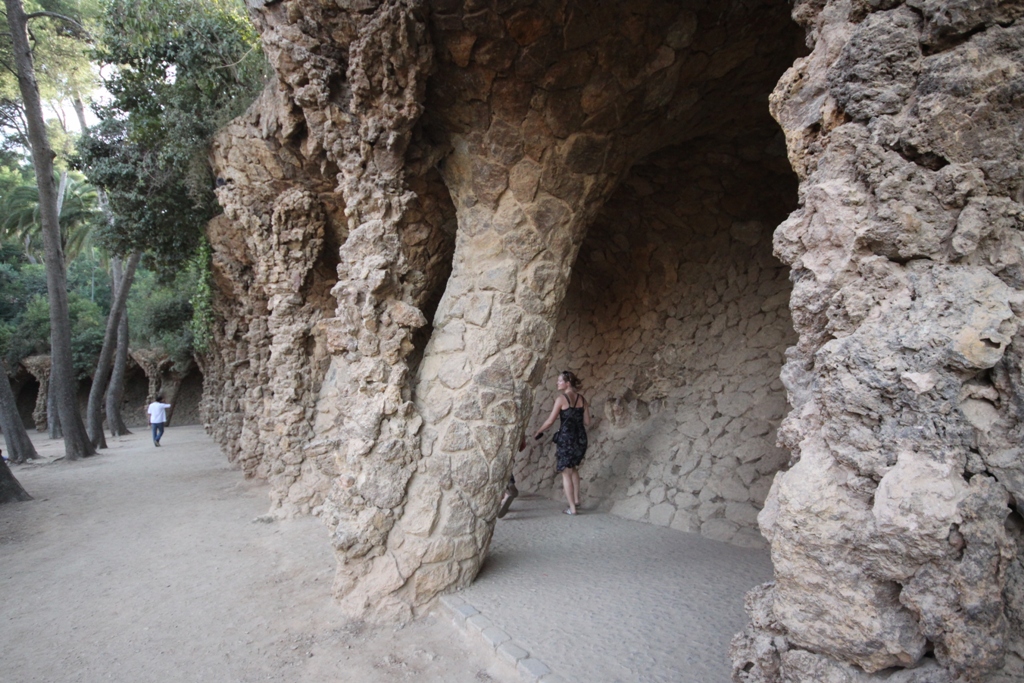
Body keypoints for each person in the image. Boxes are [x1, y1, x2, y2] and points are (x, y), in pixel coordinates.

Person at [534, 370, 590, 515]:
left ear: (567, 383)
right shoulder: (582, 399)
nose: (557, 383)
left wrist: (539, 431)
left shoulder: (561, 399)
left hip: (566, 438)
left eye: (560, 381)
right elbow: (587, 422)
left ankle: (572, 508)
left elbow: (550, 421)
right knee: (574, 468)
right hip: (580, 438)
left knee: (566, 473)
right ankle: (577, 500)